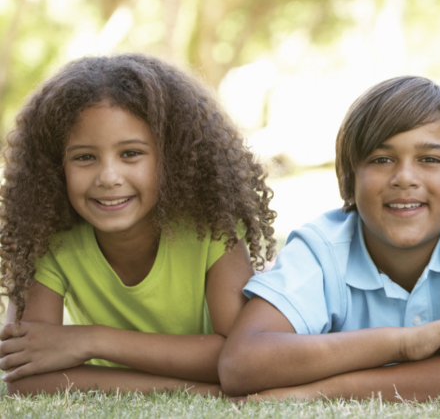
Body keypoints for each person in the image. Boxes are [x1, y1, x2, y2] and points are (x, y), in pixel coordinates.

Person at [0, 53, 276, 396]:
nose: (108, 177)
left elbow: (245, 356)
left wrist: (92, 340)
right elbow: (25, 374)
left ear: (172, 158)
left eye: (131, 153)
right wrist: (200, 391)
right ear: (55, 168)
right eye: (85, 157)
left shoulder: (211, 229)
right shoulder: (48, 240)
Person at [219, 76, 440, 402]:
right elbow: (240, 364)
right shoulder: (321, 248)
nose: (405, 178)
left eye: (430, 159)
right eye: (381, 159)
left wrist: (321, 391)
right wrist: (404, 343)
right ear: (349, 178)